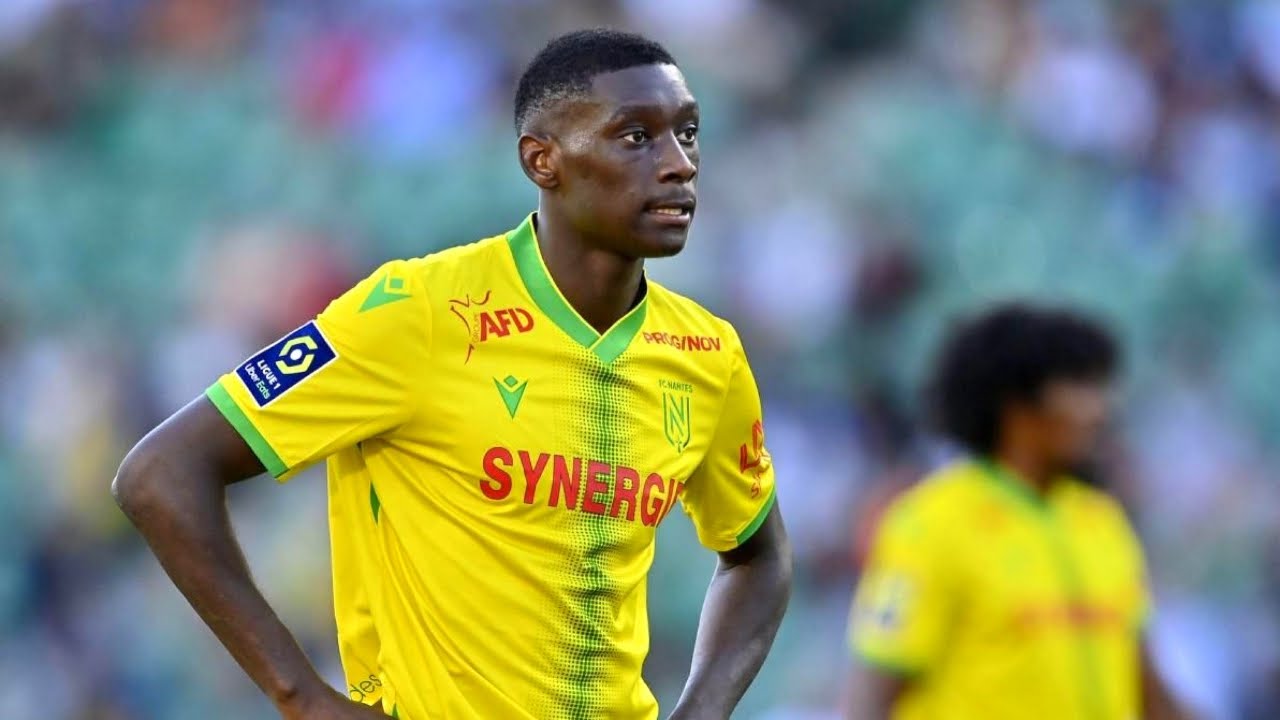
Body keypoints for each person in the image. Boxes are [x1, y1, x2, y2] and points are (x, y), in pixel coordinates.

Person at [113, 29, 791, 720]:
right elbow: (160, 474)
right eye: (636, 137)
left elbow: (757, 556)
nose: (679, 164)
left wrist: (699, 712)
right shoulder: (419, 312)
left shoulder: (706, 353)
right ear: (543, 160)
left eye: (688, 133)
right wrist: (304, 698)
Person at [845, 304, 1193, 720]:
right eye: (1081, 386)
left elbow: (1145, 687)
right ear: (1016, 403)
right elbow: (873, 691)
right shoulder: (932, 522)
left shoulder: (1101, 521)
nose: (1102, 409)